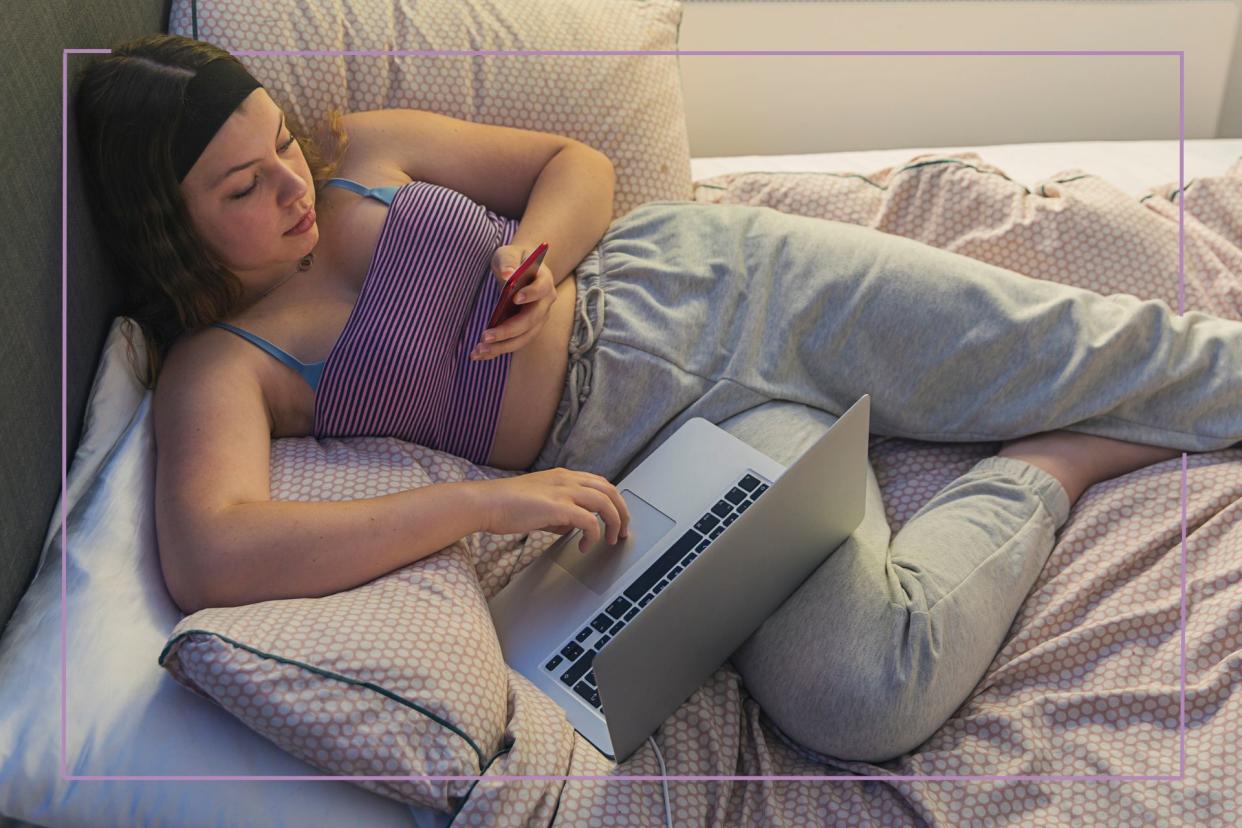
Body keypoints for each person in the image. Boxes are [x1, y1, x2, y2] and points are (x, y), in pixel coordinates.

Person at [75, 33, 1241, 763]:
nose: (291, 182)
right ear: (168, 225)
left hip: (715, 285)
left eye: (283, 141)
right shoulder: (223, 366)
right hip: (666, 449)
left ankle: (1117, 404)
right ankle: (1057, 463)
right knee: (856, 695)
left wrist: (533, 252)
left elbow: (572, 167)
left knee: (1081, 344)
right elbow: (216, 550)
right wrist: (486, 508)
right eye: (244, 185)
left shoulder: (365, 152)